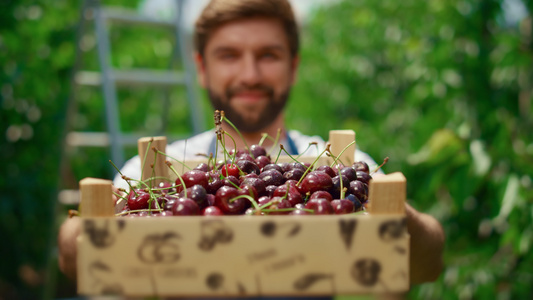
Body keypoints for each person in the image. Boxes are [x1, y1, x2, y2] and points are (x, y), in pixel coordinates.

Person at [58, 0, 444, 297]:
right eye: (229, 55)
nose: (249, 75)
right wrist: (87, 226)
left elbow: (427, 264)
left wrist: (395, 214)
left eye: (267, 55)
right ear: (202, 67)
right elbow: (78, 263)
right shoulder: (158, 171)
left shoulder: (340, 167)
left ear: (293, 67)